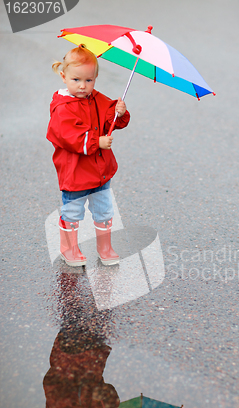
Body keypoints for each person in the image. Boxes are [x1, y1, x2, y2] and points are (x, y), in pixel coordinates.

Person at [47, 44, 130, 266]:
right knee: (73, 211)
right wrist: (96, 141)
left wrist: (119, 113)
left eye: (89, 80)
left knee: (103, 210)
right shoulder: (62, 107)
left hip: (100, 169)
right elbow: (67, 136)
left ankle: (105, 247)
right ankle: (69, 248)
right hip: (75, 171)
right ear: (64, 76)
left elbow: (109, 117)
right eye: (76, 80)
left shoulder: (95, 98)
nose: (83, 86)